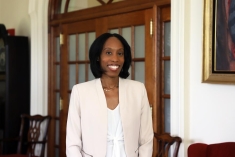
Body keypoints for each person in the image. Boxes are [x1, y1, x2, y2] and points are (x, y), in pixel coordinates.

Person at [66, 33, 153, 157]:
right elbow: (72, 143)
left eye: (120, 53)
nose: (115, 59)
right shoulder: (80, 92)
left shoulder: (138, 90)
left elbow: (146, 139)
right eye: (108, 53)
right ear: (97, 57)